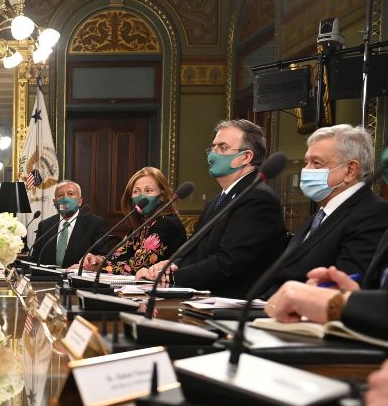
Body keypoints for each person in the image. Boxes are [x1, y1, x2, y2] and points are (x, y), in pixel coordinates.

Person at [136, 119, 287, 298]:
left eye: (223, 148)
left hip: (232, 302)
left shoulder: (257, 199)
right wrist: (170, 265)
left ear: (246, 157)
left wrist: (171, 277)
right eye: (213, 148)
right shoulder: (216, 201)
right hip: (206, 297)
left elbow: (229, 262)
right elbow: (198, 253)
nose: (213, 154)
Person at [259, 124, 388, 297]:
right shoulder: (320, 215)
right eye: (306, 162)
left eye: (316, 163)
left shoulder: (372, 213)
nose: (306, 170)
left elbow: (346, 286)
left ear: (350, 170)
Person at [76, 167, 186, 274]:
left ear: (162, 196)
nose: (141, 196)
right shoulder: (141, 225)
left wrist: (97, 267)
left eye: (148, 190)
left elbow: (137, 266)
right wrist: (97, 260)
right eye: (136, 191)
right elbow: (119, 255)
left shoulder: (167, 224)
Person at [30, 180, 106, 268]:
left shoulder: (95, 224)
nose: (65, 199)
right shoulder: (45, 225)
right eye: (60, 195)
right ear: (55, 202)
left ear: (80, 201)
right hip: (47, 276)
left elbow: (103, 257)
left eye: (70, 194)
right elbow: (34, 259)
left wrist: (92, 263)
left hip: (78, 276)